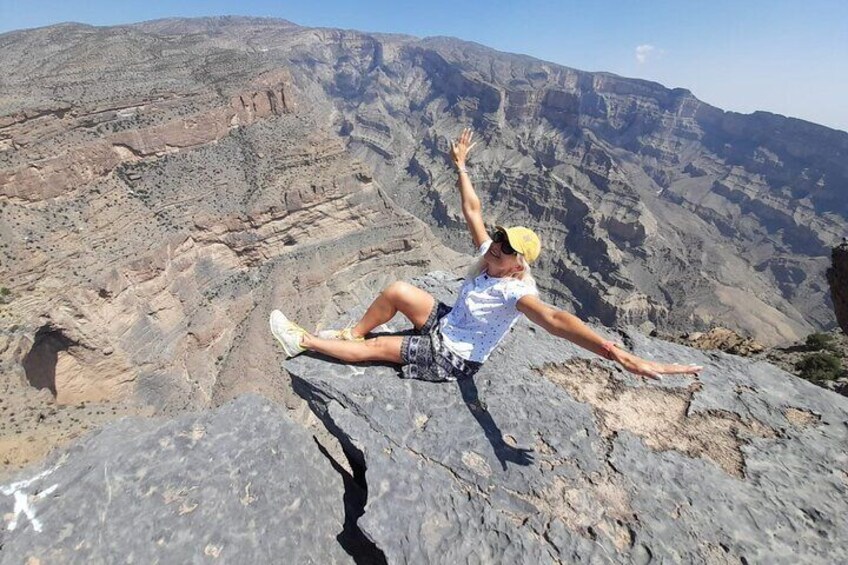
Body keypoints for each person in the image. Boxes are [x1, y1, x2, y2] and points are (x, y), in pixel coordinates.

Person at [270, 128, 703, 382]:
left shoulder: (515, 292)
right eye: (501, 239)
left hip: (454, 355)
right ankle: (353, 333)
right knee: (398, 290)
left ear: (520, 263)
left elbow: (555, 321)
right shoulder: (491, 257)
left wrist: (615, 352)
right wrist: (460, 165)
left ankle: (302, 342)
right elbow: (472, 210)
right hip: (447, 323)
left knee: (383, 349)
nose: (498, 245)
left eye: (508, 248)